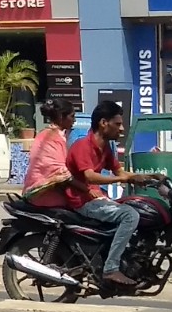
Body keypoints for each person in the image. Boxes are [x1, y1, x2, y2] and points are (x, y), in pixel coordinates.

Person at [64, 101, 159, 286]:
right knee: (130, 215)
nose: (122, 129)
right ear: (103, 123)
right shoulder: (82, 146)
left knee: (136, 207)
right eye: (117, 124)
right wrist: (124, 180)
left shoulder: (105, 148)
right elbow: (90, 176)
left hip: (96, 197)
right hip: (81, 201)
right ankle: (111, 268)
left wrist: (149, 176)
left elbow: (120, 172)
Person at [22, 99, 76, 208]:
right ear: (61, 117)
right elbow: (62, 174)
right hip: (46, 196)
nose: (74, 120)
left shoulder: (43, 134)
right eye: (72, 116)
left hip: (35, 192)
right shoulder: (55, 138)